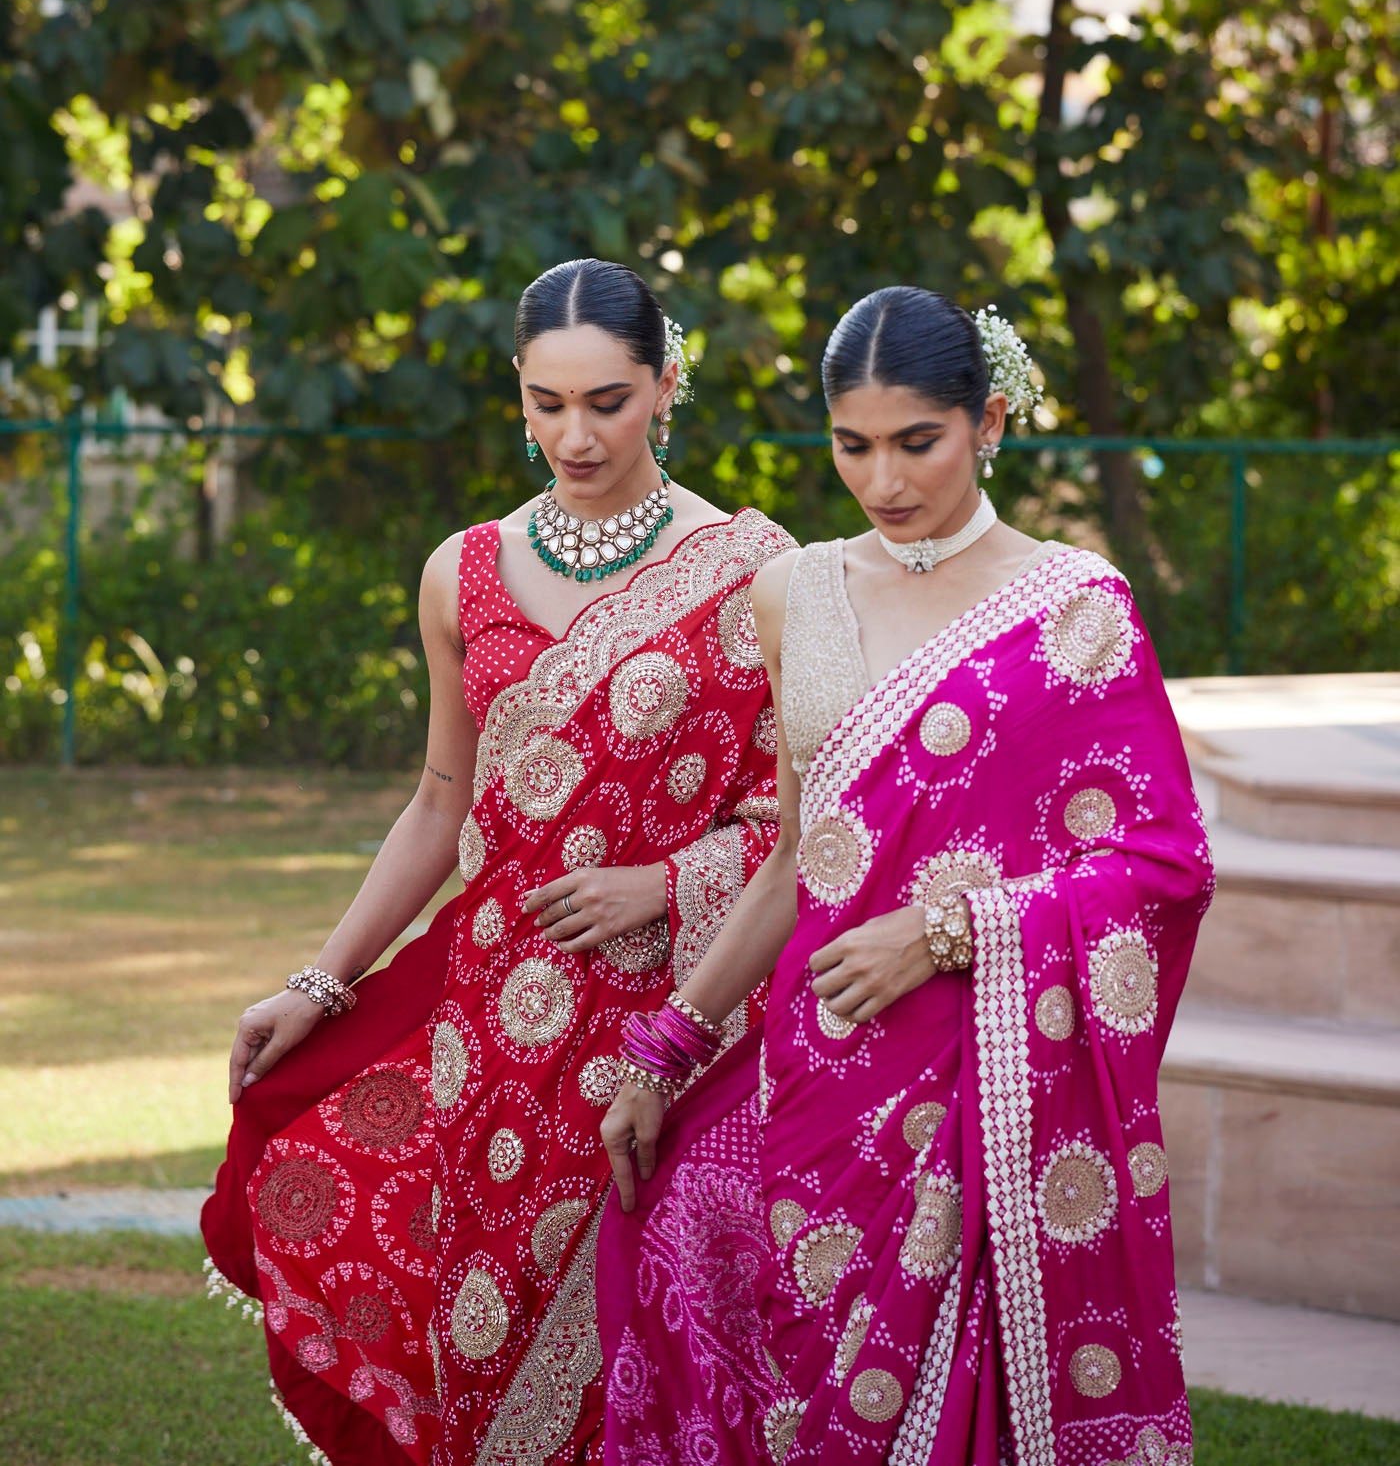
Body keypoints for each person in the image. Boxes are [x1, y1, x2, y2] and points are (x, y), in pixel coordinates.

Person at [598, 287, 1213, 1466]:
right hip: (821, 1061)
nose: (882, 479)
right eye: (852, 444)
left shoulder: (1074, 609)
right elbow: (796, 853)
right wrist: (665, 1048)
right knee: (792, 1369)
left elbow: (1158, 864)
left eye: (915, 440)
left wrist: (940, 933)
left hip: (986, 1075)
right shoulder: (795, 590)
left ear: (988, 421)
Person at [201, 258, 792, 1466]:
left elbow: (800, 818)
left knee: (652, 1338)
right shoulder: (461, 569)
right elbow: (438, 798)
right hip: (492, 1028)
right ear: (517, 391)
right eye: (546, 401)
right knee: (480, 1316)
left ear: (665, 384)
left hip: (674, 1015)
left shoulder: (755, 571)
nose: (575, 436)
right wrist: (319, 980)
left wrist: (663, 882)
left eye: (608, 401)